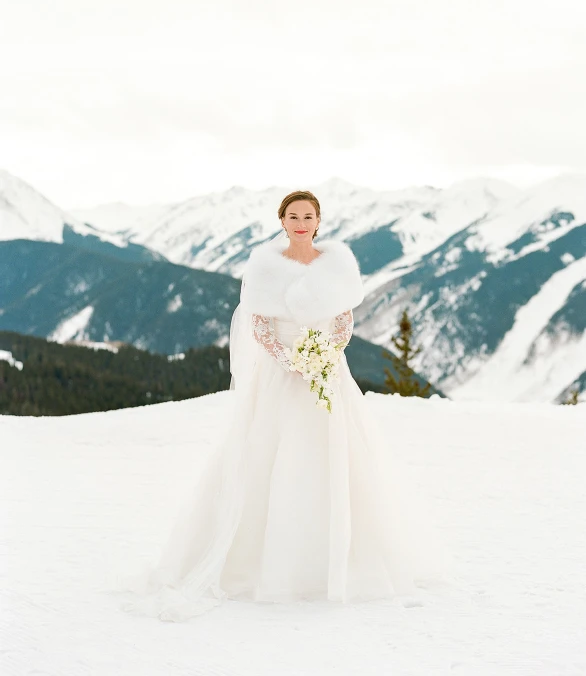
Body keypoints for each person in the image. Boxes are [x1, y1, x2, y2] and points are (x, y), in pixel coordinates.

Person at [105, 189, 452, 621]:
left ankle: (339, 561)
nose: (301, 222)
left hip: (329, 374)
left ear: (319, 220)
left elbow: (344, 319)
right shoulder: (265, 266)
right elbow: (258, 321)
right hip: (279, 375)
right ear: (282, 221)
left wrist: (325, 355)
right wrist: (289, 359)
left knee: (337, 456)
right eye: (293, 215)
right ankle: (259, 562)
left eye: (308, 215)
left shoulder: (338, 264)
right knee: (270, 455)